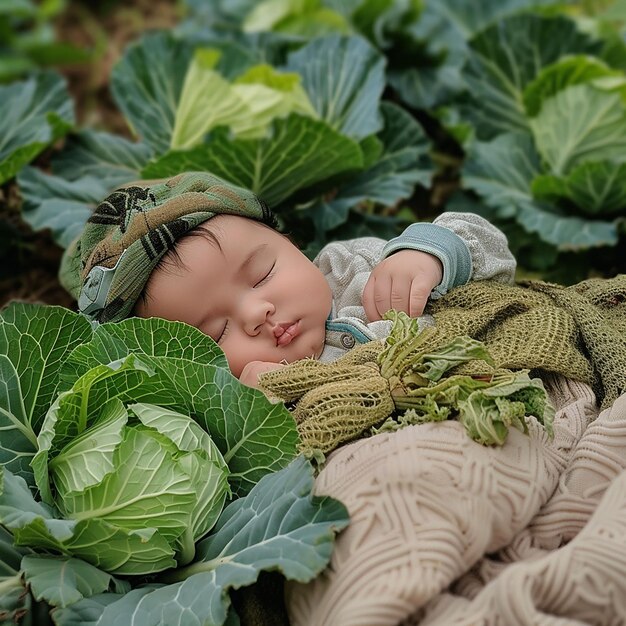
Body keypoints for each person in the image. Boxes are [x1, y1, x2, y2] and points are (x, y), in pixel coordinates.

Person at [59, 171, 516, 388]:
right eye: (216, 332)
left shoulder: (353, 268)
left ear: (291, 245)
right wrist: (260, 406)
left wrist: (427, 254)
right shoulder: (245, 389)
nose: (256, 314)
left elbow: (494, 256)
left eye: (262, 274)